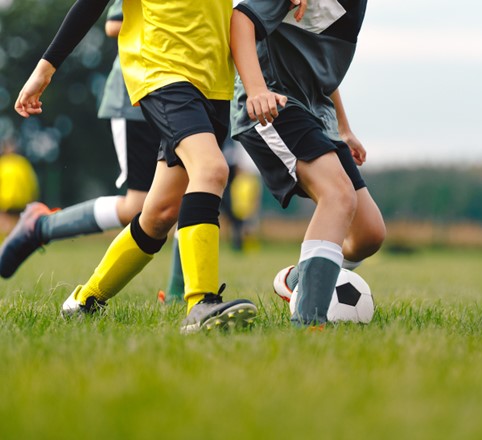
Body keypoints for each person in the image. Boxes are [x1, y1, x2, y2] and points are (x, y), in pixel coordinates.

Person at [13, 0, 308, 332]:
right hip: (162, 70)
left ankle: (84, 301)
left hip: (213, 80)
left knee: (159, 213)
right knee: (211, 169)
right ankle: (200, 304)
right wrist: (46, 68)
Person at [230, 0, 386, 327]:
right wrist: (258, 90)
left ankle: (299, 279)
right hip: (274, 104)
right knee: (338, 195)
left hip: (316, 113)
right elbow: (241, 19)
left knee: (369, 233)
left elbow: (320, 67)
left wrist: (343, 127)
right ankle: (309, 322)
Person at [0, 0, 160, 281]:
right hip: (137, 95)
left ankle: (185, 296)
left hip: (197, 91)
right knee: (140, 206)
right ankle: (42, 226)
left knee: (195, 188)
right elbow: (112, 23)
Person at [0, 138, 39, 240]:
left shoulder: (3, 163)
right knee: (17, 226)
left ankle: (7, 246)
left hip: (7, 200)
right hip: (20, 200)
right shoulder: (23, 163)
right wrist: (32, 198)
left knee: (6, 225)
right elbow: (32, 183)